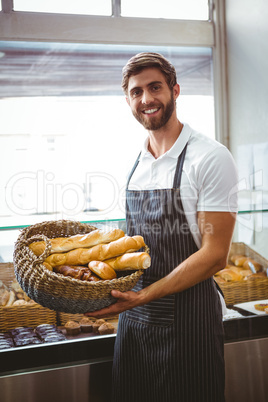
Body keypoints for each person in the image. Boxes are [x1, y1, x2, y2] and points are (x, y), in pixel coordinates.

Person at [87, 52, 238, 402]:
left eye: (155, 87)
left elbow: (216, 256)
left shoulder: (210, 157)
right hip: (134, 321)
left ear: (175, 90)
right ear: (128, 101)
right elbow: (131, 247)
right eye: (136, 92)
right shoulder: (136, 164)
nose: (146, 99)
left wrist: (143, 296)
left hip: (190, 322)